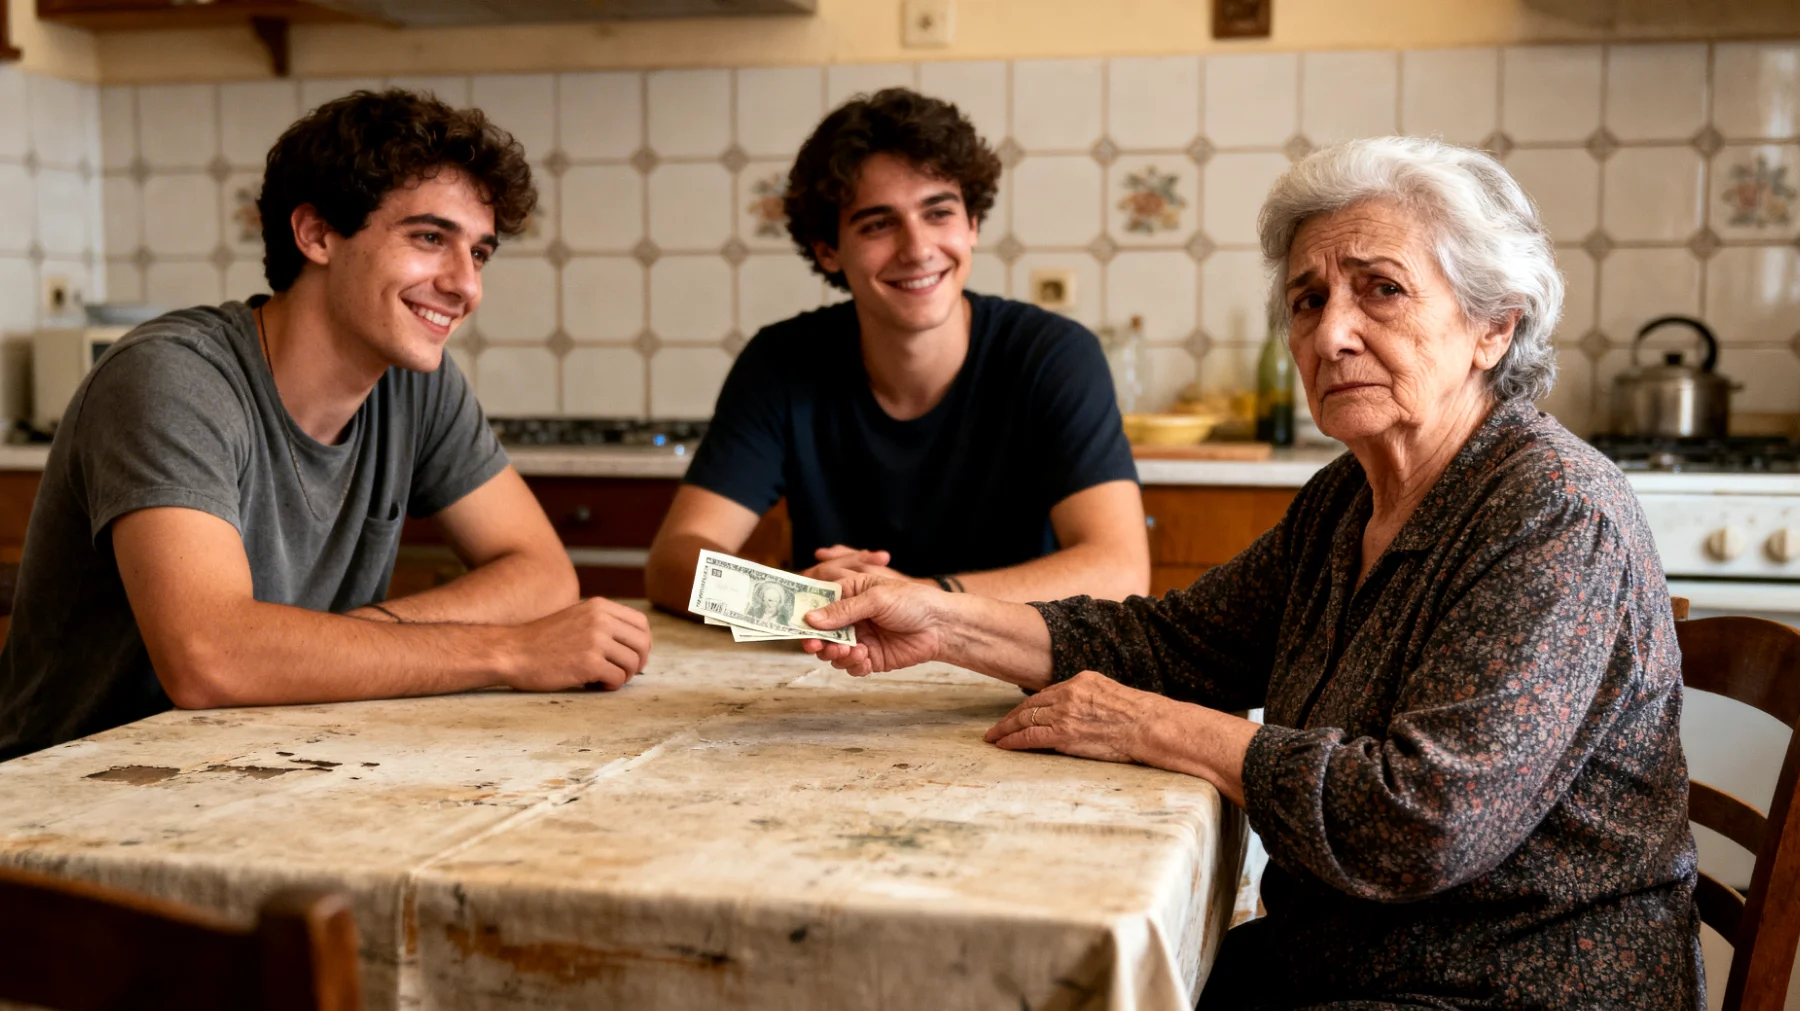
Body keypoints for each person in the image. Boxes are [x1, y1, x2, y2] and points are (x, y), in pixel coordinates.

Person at [798, 137, 1703, 1009]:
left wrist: (1152, 725)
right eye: (1307, 301)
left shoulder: (1553, 509)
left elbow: (1422, 821)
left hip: (1510, 984)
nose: (1332, 332)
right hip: (1341, 964)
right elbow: (1171, 642)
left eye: (1381, 291)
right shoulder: (1346, 500)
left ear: (1493, 327)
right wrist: (940, 618)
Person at [0, 90, 651, 762]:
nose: (466, 286)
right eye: (430, 238)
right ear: (315, 234)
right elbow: (210, 657)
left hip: (264, 766)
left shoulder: (414, 384)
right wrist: (509, 649)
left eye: (479, 253)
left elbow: (543, 574)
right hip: (73, 798)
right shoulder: (172, 378)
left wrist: (346, 639)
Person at [645, 88, 1148, 614]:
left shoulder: (1053, 355)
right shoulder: (782, 361)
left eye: (938, 213)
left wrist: (919, 601)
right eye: (878, 224)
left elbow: (1118, 569)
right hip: (834, 672)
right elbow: (674, 560)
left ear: (972, 224)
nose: (917, 249)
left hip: (1010, 678)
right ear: (828, 251)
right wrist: (801, 600)